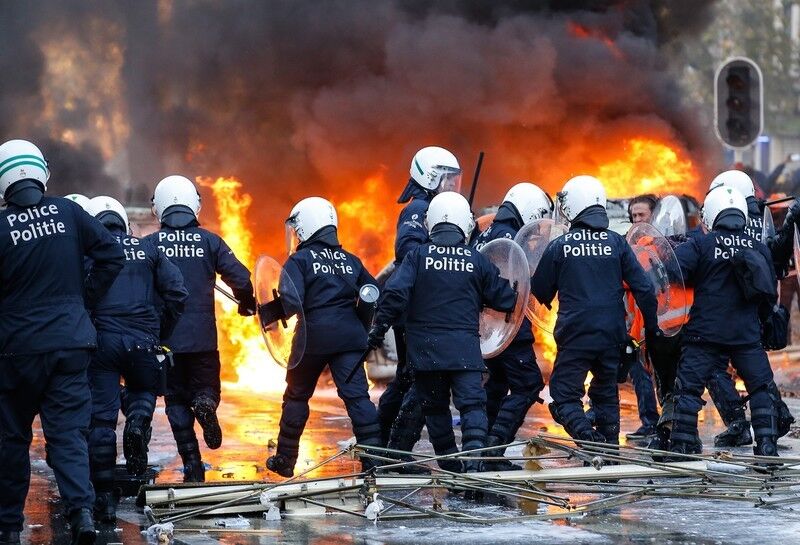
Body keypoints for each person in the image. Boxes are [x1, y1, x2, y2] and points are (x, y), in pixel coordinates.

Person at [0, 139, 125, 545]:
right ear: (41, 171)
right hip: (71, 344)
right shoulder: (68, 212)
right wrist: (83, 300)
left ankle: (6, 525)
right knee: (69, 434)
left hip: (16, 351)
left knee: (12, 438)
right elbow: (111, 253)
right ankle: (82, 515)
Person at [369, 192, 517, 473]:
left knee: (435, 408)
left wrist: (379, 328)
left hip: (425, 353)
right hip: (465, 351)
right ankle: (474, 465)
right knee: (473, 406)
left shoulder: (417, 256)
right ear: (465, 223)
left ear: (431, 222)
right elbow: (504, 299)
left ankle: (450, 466)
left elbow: (395, 293)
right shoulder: (477, 260)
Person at [531, 176, 659, 445]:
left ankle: (591, 440)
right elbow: (645, 288)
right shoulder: (617, 243)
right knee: (605, 395)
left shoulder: (560, 246)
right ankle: (610, 453)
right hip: (612, 335)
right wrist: (652, 327)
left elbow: (539, 291)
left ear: (575, 206)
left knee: (564, 396)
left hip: (576, 334)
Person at [144, 175, 256, 483]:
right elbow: (242, 280)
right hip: (204, 339)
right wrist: (247, 304)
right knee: (206, 389)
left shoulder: (150, 245)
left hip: (165, 344)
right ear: (195, 205)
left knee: (176, 401)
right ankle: (206, 404)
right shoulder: (210, 241)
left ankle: (193, 467)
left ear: (159, 208)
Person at [84, 196, 187, 522]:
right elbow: (177, 293)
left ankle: (103, 497)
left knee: (101, 420)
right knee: (144, 389)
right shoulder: (149, 250)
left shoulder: (89, 252)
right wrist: (161, 330)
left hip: (102, 344)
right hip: (144, 340)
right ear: (123, 223)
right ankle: (138, 421)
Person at [266, 197, 382, 477]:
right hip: (350, 338)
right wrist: (360, 327)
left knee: (296, 397)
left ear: (305, 226)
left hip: (312, 338)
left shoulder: (300, 259)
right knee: (358, 398)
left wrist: (267, 312)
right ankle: (375, 460)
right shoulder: (351, 260)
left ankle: (285, 460)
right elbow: (373, 293)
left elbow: (292, 301)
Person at [670, 186, 780, 457]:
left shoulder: (701, 244)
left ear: (713, 214)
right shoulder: (757, 247)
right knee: (761, 387)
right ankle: (766, 444)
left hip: (704, 334)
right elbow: (769, 292)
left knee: (688, 389)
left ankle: (682, 443)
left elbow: (673, 274)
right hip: (746, 334)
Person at [377, 146, 462, 459]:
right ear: (430, 177)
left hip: (422, 308)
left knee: (407, 380)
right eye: (447, 178)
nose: (453, 185)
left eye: (456, 179)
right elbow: (409, 251)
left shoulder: (436, 206)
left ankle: (378, 444)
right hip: (416, 309)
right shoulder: (418, 210)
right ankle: (395, 453)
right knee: (418, 383)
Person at [704, 170, 798, 447]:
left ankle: (738, 423)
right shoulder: (758, 219)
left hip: (734, 308)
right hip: (757, 306)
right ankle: (775, 418)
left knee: (714, 365)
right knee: (755, 370)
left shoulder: (738, 223)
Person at [471, 182, 550, 470]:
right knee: (528, 385)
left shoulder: (487, 232)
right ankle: (493, 450)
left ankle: (484, 452)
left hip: (488, 330)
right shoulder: (508, 237)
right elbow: (507, 284)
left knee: (497, 386)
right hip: (508, 327)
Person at [622, 195, 662, 440]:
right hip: (635, 326)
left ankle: (664, 425)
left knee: (662, 377)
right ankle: (650, 422)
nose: (637, 220)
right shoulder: (627, 245)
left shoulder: (658, 246)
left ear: (653, 216)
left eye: (642, 215)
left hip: (658, 325)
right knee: (639, 374)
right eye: (634, 216)